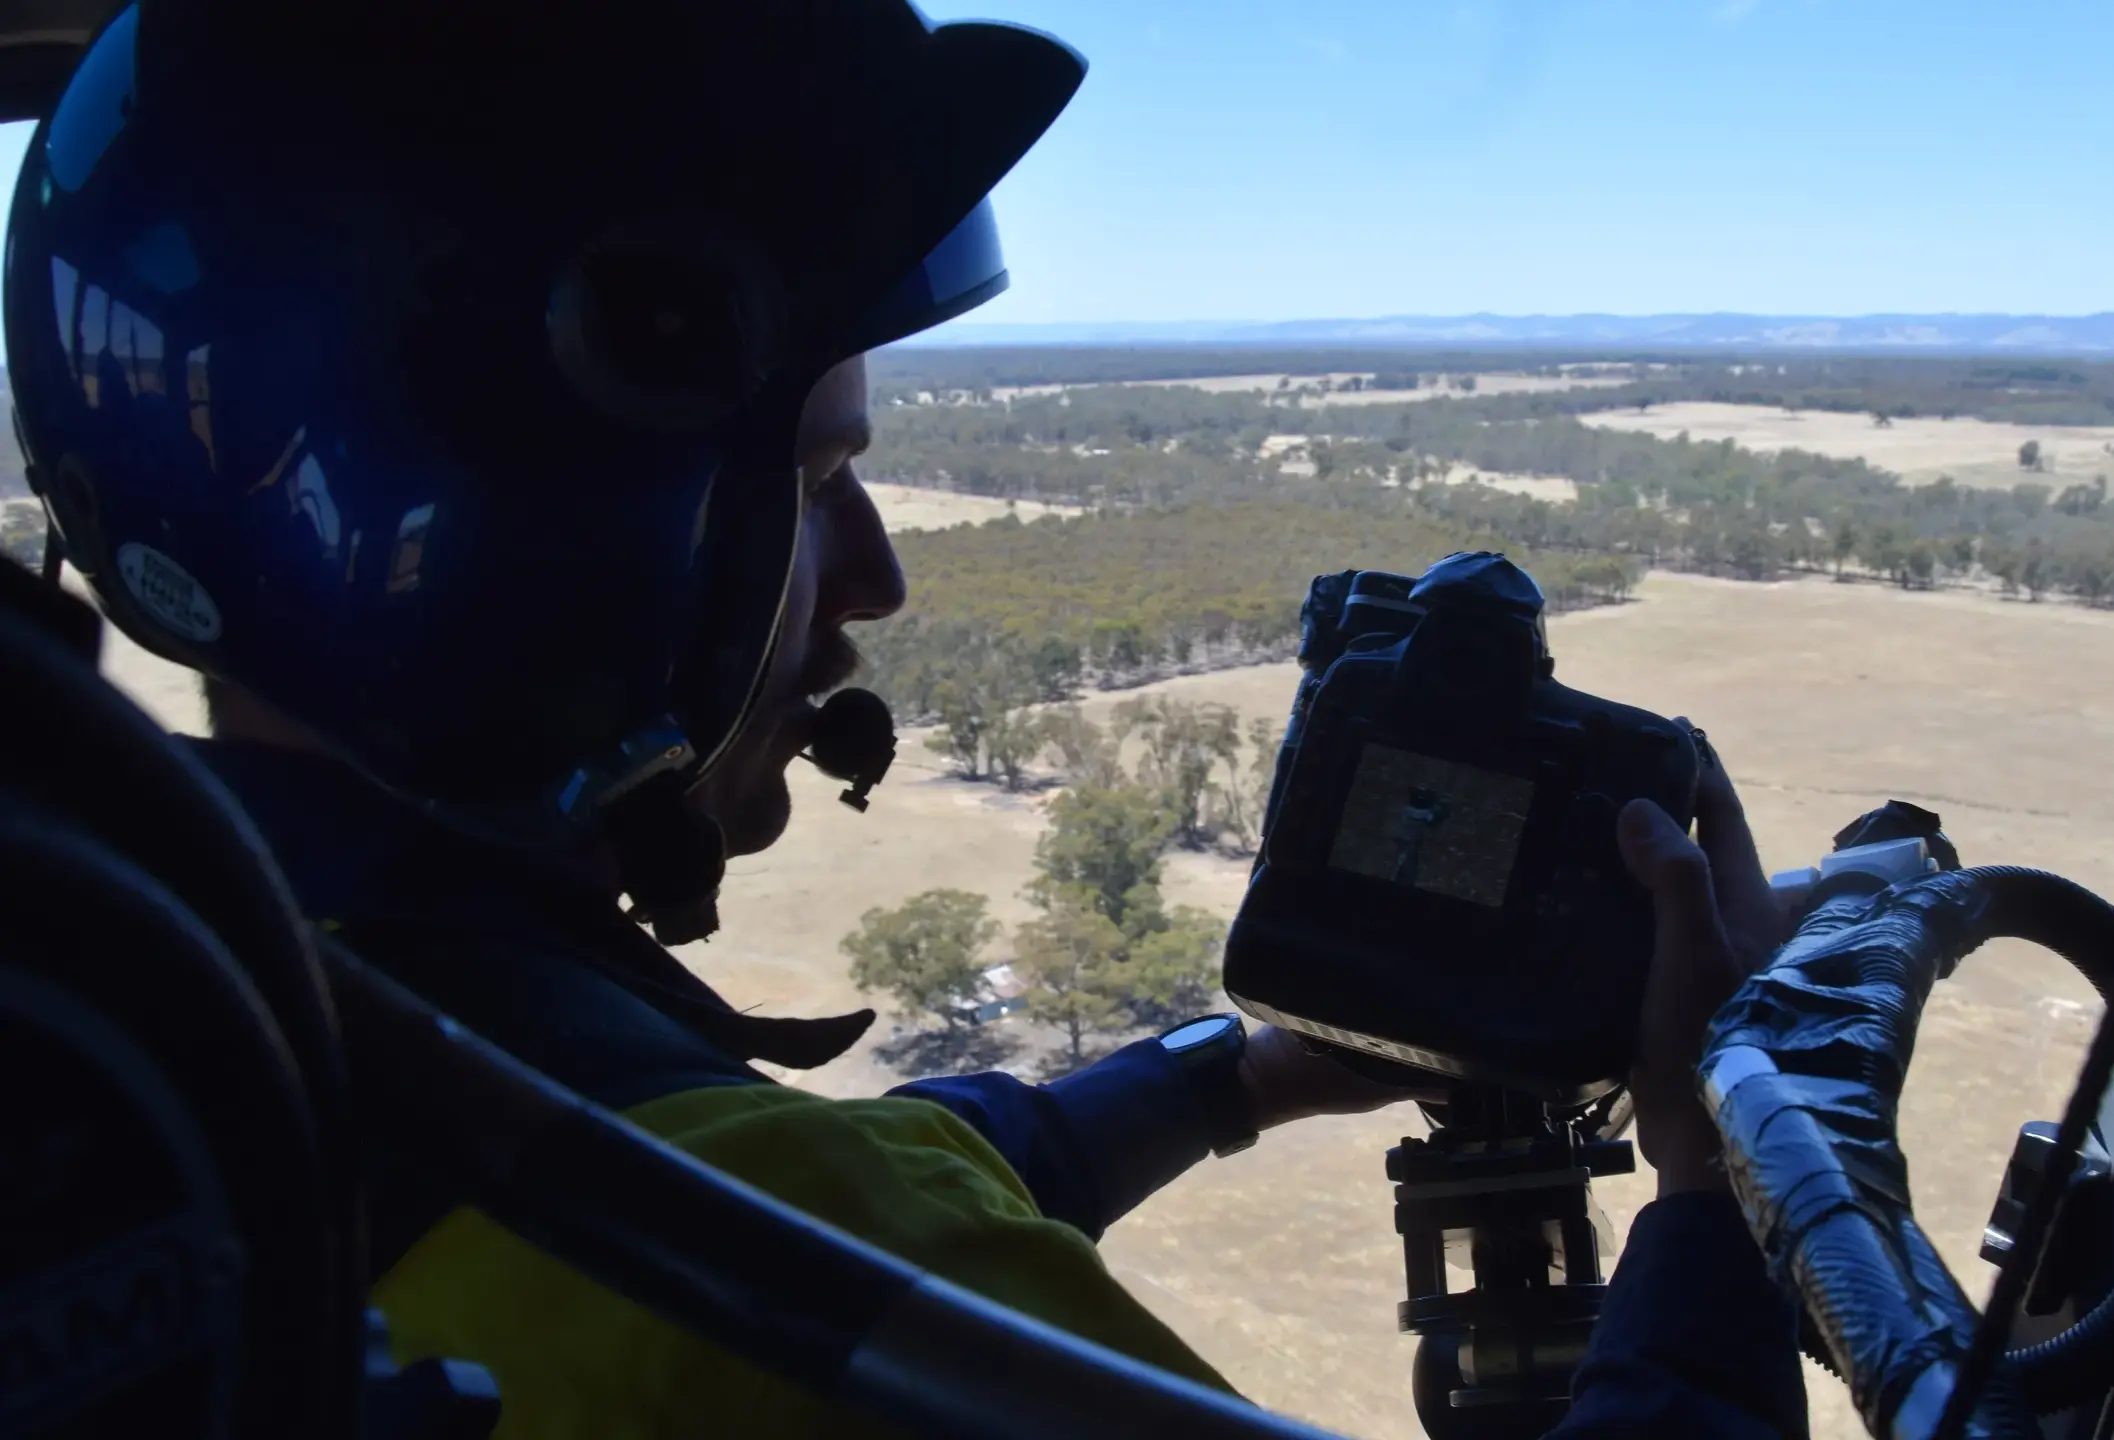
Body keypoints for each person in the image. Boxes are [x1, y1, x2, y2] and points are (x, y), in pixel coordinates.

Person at [9, 2, 1810, 1436]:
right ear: (535, 529)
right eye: (813, 475)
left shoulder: (170, 987)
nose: (867, 577)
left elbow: (736, 1162)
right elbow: (814, 1216)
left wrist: (1243, 1069)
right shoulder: (760, 1300)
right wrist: (1723, 1204)